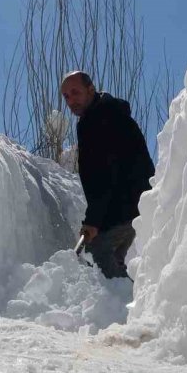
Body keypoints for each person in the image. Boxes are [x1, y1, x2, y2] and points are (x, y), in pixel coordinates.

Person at [60, 71, 155, 279]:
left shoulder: (100, 119)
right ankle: (132, 300)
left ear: (90, 89)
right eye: (66, 96)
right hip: (134, 205)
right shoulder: (105, 114)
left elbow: (103, 174)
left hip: (124, 207)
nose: (70, 100)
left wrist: (93, 221)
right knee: (113, 265)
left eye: (75, 92)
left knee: (99, 256)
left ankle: (131, 306)